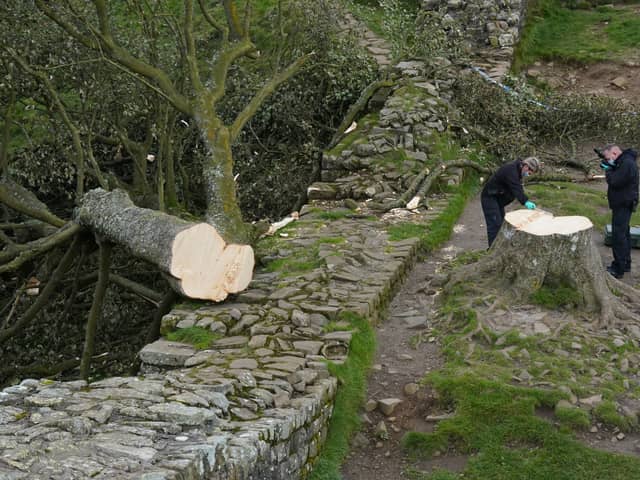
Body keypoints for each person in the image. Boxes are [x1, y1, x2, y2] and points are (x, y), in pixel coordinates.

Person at [481, 156, 540, 247]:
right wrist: (525, 201)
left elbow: (518, 187)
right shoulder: (511, 170)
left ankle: (499, 247)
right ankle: (492, 250)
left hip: (498, 198)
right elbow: (516, 188)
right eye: (529, 172)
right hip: (490, 197)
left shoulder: (517, 169)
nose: (528, 175)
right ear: (526, 166)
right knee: (495, 225)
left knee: (501, 224)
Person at [600, 144, 639, 279]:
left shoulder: (627, 163)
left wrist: (608, 170)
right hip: (623, 202)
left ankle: (618, 268)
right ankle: (626, 263)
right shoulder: (624, 162)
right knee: (624, 234)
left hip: (623, 203)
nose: (608, 160)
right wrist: (612, 166)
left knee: (618, 236)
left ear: (615, 153)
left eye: (608, 157)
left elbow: (615, 181)